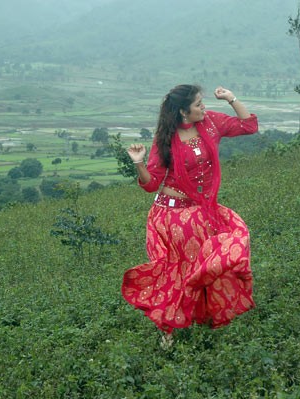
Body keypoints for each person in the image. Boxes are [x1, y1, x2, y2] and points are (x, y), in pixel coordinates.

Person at [121, 84, 258, 347]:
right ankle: (168, 329)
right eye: (198, 104)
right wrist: (138, 163)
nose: (203, 107)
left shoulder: (211, 123)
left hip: (203, 211)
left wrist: (232, 99)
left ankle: (202, 319)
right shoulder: (165, 139)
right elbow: (151, 184)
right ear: (184, 112)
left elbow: (248, 126)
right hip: (173, 217)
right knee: (181, 271)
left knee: (227, 246)